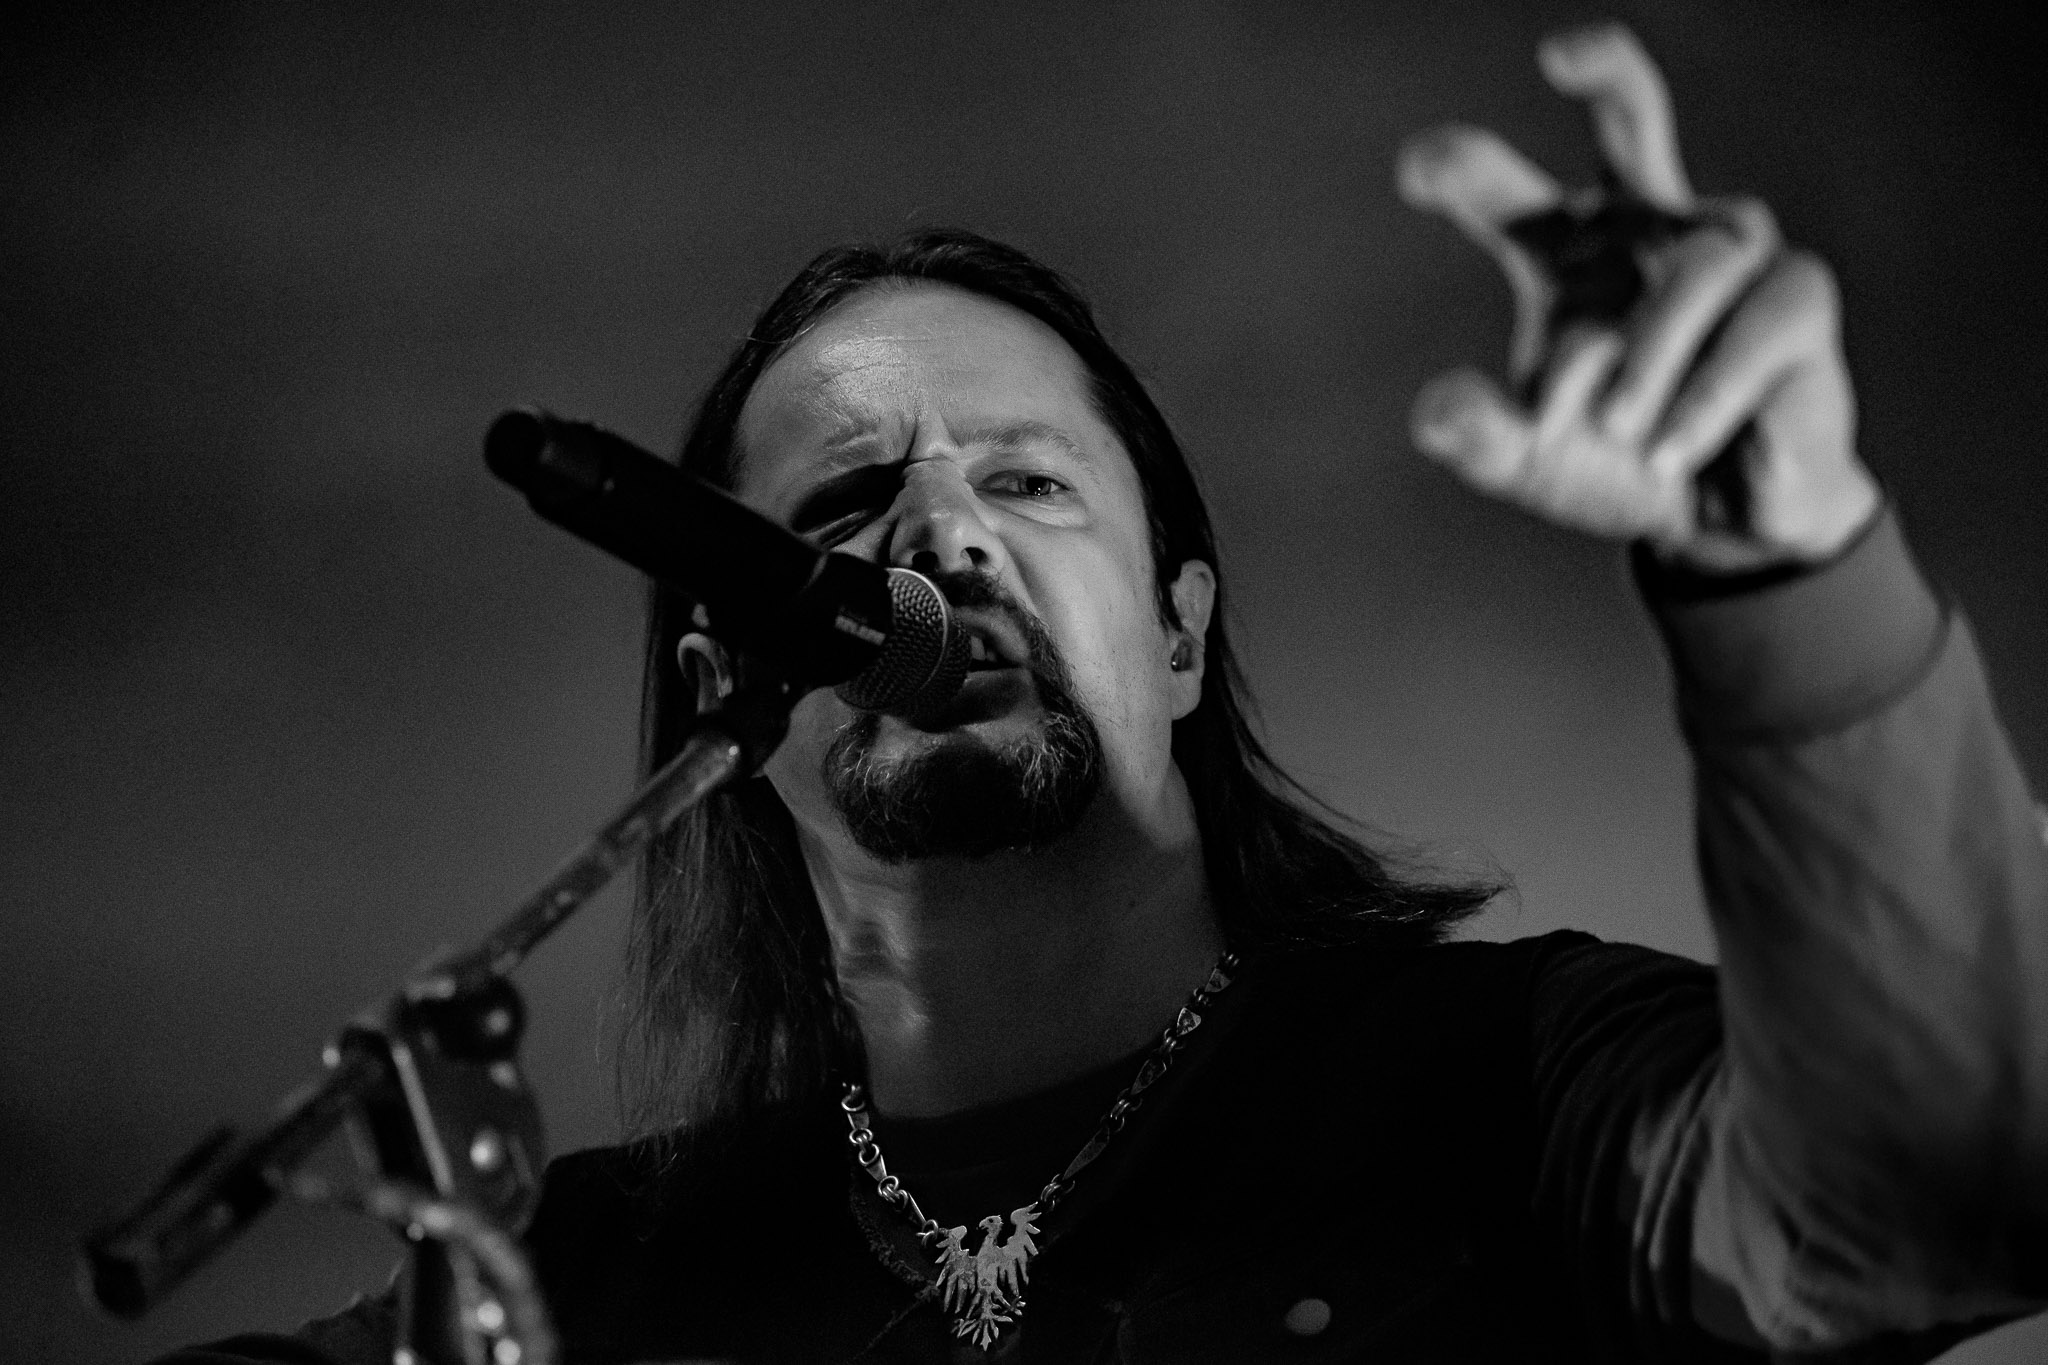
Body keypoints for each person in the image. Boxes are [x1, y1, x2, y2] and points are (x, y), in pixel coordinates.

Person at [163, 24, 2046, 1365]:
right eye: (845, 505)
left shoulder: (1524, 1080)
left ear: (1178, 635)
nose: (938, 535)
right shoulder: (571, 1275)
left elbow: (1943, 1204)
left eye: (1029, 480)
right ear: (729, 693)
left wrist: (1788, 563)